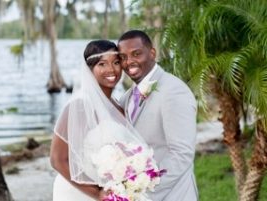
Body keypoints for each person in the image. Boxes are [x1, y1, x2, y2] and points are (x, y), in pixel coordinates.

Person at [50, 40, 146, 201]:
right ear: (90, 69)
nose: (111, 69)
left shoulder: (118, 106)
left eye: (116, 62)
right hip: (79, 193)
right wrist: (97, 193)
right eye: (102, 64)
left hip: (111, 191)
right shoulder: (80, 105)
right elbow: (57, 159)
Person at [118, 30, 198, 201]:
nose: (129, 62)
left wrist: (141, 189)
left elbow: (181, 154)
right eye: (123, 57)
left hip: (172, 195)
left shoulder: (174, 91)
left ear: (152, 53)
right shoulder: (127, 97)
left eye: (136, 54)